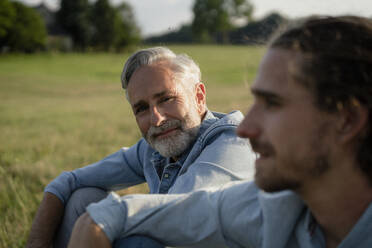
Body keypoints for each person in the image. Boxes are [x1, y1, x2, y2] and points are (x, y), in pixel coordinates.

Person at [68, 16, 372, 248]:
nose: (247, 128)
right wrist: (101, 217)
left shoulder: (229, 146)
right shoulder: (276, 207)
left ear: (346, 120)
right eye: (142, 108)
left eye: (273, 104)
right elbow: (196, 209)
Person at [26, 47, 255, 248]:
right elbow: (71, 181)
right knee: (82, 199)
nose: (156, 120)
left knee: (141, 241)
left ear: (198, 96)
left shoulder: (233, 139)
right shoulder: (155, 147)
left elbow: (178, 211)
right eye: (142, 108)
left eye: (166, 99)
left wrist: (103, 218)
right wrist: (38, 242)